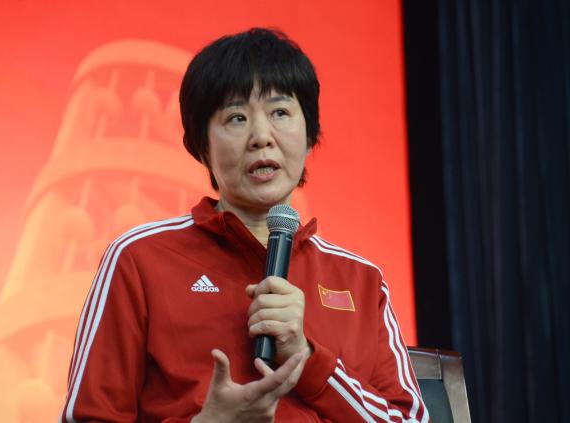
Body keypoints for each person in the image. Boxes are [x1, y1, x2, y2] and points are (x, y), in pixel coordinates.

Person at [60, 28, 430, 423]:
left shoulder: (361, 279)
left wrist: (307, 358)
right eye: (236, 118)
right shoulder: (139, 259)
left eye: (280, 113)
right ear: (201, 147)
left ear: (309, 136)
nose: (261, 137)